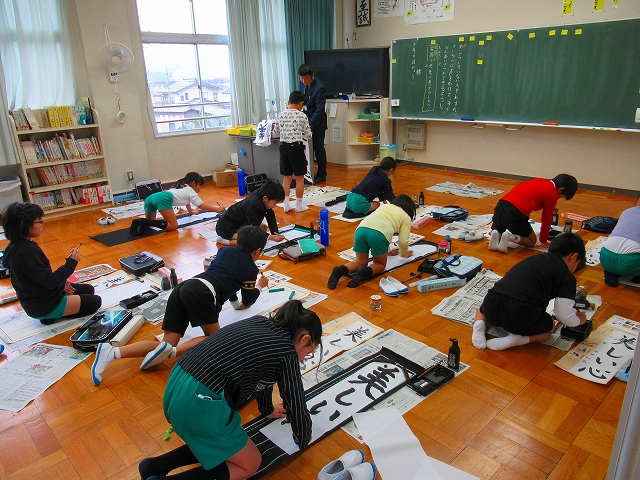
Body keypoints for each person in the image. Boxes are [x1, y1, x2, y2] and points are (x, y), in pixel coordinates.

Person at [136, 299, 321, 480]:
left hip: (177, 383)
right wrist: (303, 435)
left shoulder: (260, 322)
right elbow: (295, 400)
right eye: (308, 352)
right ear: (304, 339)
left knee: (211, 439)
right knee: (250, 463)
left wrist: (267, 409)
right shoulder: (287, 352)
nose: (303, 358)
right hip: (199, 402)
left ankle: (155, 466)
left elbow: (263, 376)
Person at [91, 226, 270, 385]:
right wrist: (260, 286)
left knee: (167, 341)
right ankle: (171, 353)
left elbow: (229, 280)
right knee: (214, 339)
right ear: (257, 251)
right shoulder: (251, 269)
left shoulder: (225, 251)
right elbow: (248, 300)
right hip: (203, 293)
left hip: (185, 287)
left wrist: (236, 304)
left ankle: (112, 352)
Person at [472, 232, 587, 351]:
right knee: (549, 328)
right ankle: (517, 339)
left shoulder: (534, 259)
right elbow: (563, 315)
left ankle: (479, 325)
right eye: (577, 263)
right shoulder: (566, 276)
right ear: (573, 257)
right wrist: (579, 320)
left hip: (492, 303)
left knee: (482, 308)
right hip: (519, 316)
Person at [1, 202, 101, 325]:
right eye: (39, 221)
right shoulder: (27, 251)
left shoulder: (14, 245)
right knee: (95, 302)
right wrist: (71, 262)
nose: (42, 224)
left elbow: (38, 278)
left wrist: (61, 284)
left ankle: (49, 316)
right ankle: (49, 314)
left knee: (89, 289)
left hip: (34, 300)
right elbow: (50, 282)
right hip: (45, 305)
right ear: (25, 225)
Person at [328, 194, 415, 289]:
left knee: (360, 262)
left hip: (361, 229)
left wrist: (387, 251)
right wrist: (404, 253)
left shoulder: (384, 207)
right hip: (378, 235)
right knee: (380, 264)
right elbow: (402, 241)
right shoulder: (406, 217)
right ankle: (363, 272)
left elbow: (380, 224)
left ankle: (340, 270)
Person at [488, 174, 578, 253]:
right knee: (532, 241)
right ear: (561, 190)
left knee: (499, 226)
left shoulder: (540, 181)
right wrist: (543, 240)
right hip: (515, 213)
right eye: (561, 197)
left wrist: (550, 206)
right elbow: (546, 219)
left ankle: (495, 233)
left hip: (501, 206)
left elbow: (532, 196)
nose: (558, 198)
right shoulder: (553, 194)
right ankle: (509, 237)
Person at [130, 172, 225, 235]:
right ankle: (143, 221)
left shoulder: (181, 186)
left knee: (150, 223)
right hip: (163, 199)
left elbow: (187, 201)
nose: (200, 188)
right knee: (173, 226)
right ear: (193, 183)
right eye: (200, 185)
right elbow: (201, 205)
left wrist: (191, 211)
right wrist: (217, 209)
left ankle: (137, 222)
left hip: (151, 198)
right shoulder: (191, 191)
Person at [273, 90, 313, 213]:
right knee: (300, 178)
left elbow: (275, 132)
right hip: (296, 148)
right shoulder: (302, 116)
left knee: (287, 177)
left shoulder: (281, 115)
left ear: (289, 102)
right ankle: (299, 205)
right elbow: (309, 135)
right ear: (301, 104)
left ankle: (286, 204)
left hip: (284, 148)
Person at [215, 179, 286, 246]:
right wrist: (271, 237)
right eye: (274, 203)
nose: (275, 206)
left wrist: (275, 233)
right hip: (227, 229)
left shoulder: (262, 195)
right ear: (265, 198)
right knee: (253, 240)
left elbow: (270, 216)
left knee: (263, 227)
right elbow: (253, 230)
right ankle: (225, 241)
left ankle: (236, 237)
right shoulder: (253, 205)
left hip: (240, 224)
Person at [600, 196, 640, 287]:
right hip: (631, 263)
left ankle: (610, 273)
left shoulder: (627, 212)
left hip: (605, 257)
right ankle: (637, 277)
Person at [298, 64, 328, 184]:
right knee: (307, 149)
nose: (304, 81)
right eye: (301, 78)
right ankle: (308, 173)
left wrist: (310, 124)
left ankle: (322, 174)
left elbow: (320, 109)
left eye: (306, 78)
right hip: (307, 121)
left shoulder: (319, 88)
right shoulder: (304, 84)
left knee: (318, 148)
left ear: (312, 75)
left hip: (317, 123)